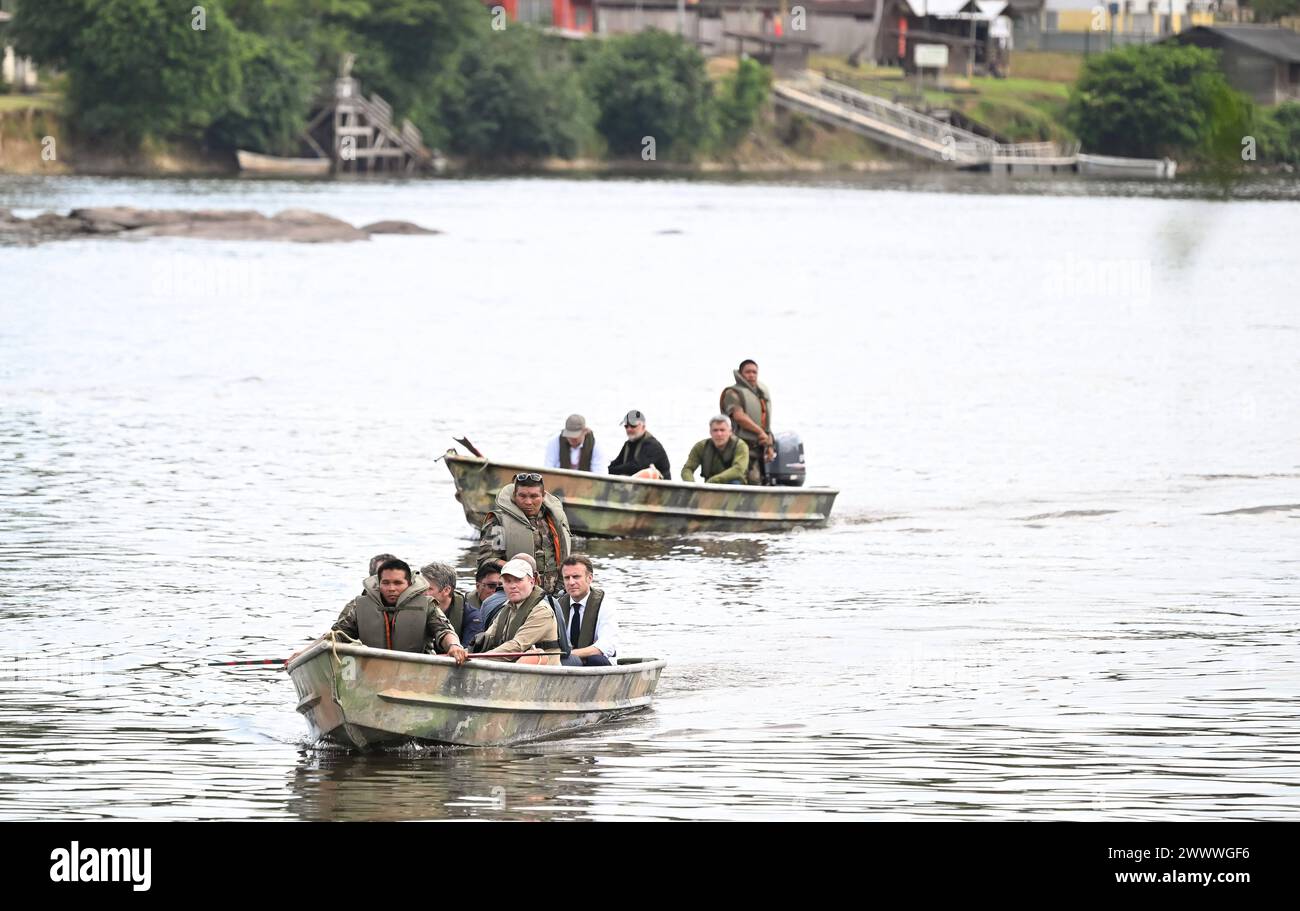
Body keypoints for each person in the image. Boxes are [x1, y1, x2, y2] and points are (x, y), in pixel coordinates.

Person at [329, 558, 467, 663]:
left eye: (398, 583)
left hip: (417, 670)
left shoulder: (427, 605)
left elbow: (444, 630)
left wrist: (454, 645)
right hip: (371, 669)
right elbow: (337, 636)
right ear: (378, 583)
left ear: (409, 584)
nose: (391, 588)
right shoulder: (359, 606)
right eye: (386, 583)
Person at [478, 473, 572, 594]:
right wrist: (517, 568)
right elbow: (487, 561)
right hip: (517, 593)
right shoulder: (498, 522)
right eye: (522, 496)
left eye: (534, 496)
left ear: (543, 496)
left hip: (556, 593)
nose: (528, 502)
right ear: (514, 495)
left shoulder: (553, 519)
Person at [468, 557, 561, 666]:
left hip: (544, 675)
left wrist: (477, 660)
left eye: (518, 580)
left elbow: (516, 646)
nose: (512, 586)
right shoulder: (507, 609)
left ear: (532, 582)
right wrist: (465, 652)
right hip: (512, 670)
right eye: (507, 581)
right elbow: (489, 637)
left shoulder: (542, 611)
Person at [555, 555, 619, 667]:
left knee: (597, 660)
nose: (571, 582)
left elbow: (605, 646)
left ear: (589, 578)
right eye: (567, 578)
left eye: (576, 577)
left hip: (595, 663)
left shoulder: (605, 605)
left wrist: (570, 654)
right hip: (566, 662)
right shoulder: (557, 604)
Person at [721, 359, 774, 485]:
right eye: (748, 372)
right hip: (738, 448)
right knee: (737, 481)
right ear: (740, 373)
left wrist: (769, 444)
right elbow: (739, 416)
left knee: (757, 482)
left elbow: (765, 422)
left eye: (754, 372)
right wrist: (760, 432)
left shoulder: (760, 395)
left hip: (758, 449)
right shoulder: (732, 393)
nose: (752, 375)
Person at [418, 561, 479, 643]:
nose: (422, 593)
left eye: (429, 589)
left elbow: (470, 650)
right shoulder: (413, 609)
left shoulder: (472, 617)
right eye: (421, 588)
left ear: (446, 590)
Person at [681, 415, 750, 485]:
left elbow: (738, 469)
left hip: (734, 485)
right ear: (710, 432)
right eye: (715, 430)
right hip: (709, 486)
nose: (719, 434)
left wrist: (714, 480)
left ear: (730, 432)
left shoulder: (740, 446)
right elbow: (687, 469)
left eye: (722, 430)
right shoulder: (701, 447)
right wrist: (692, 485)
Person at [607, 409, 672, 479]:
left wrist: (612, 470)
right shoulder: (628, 445)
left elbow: (636, 467)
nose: (629, 429)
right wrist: (605, 469)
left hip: (660, 487)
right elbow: (617, 463)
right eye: (626, 426)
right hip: (635, 486)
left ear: (643, 426)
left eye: (633, 425)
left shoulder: (652, 445)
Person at [543, 414, 608, 474]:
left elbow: (600, 473)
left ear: (585, 431)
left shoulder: (597, 446)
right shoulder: (554, 442)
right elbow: (548, 468)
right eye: (569, 435)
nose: (571, 438)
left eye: (575, 436)